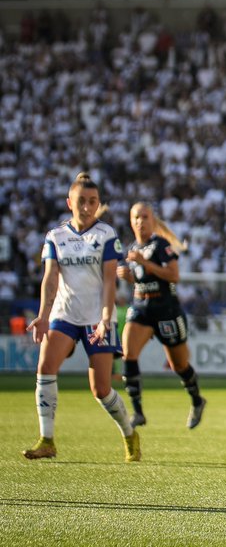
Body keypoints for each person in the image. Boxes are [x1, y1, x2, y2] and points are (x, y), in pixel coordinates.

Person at [23, 173, 140, 462]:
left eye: (92, 202)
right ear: (69, 203)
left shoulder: (106, 235)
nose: (87, 207)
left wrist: (104, 319)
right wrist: (43, 316)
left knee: (101, 389)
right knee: (45, 367)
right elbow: (50, 279)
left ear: (98, 203)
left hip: (97, 317)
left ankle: (129, 432)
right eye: (81, 201)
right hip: (65, 314)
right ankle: (47, 439)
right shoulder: (56, 237)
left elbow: (110, 281)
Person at [118, 202, 206, 430]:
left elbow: (174, 276)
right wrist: (129, 277)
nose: (140, 221)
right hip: (141, 308)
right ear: (131, 221)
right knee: (128, 353)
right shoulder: (132, 248)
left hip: (166, 310)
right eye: (136, 217)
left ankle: (197, 400)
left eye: (145, 217)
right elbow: (142, 278)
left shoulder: (160, 245)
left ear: (153, 221)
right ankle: (137, 412)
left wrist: (144, 263)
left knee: (179, 365)